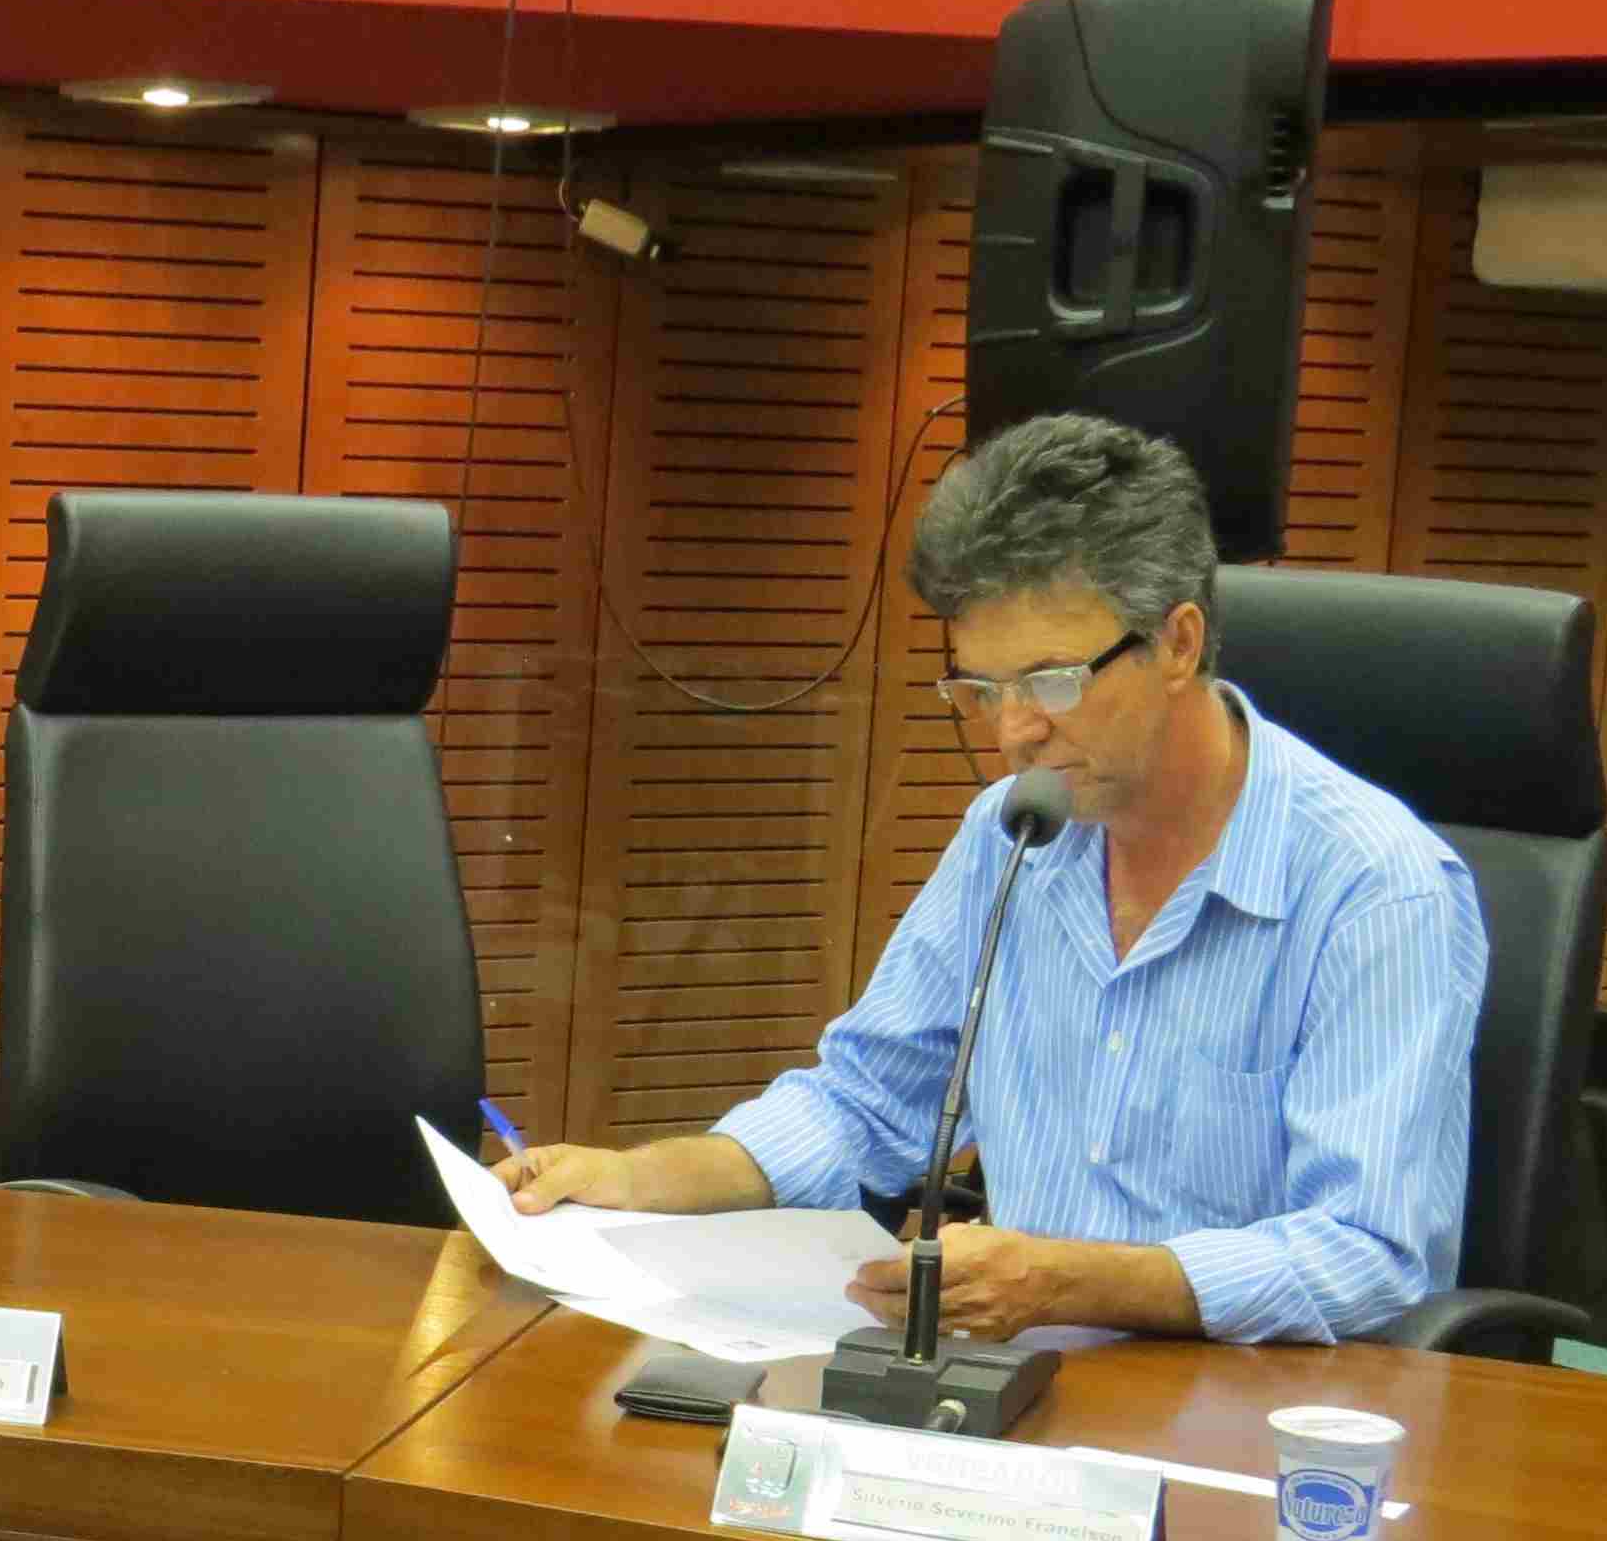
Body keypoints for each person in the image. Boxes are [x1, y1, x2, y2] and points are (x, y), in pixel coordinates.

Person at [499, 412, 1483, 1345]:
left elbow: (1367, 1254)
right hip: (1017, 1380)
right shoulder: (1011, 834)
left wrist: (1073, 1282)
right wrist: (645, 1181)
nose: (1014, 731)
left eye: (1052, 681)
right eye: (981, 688)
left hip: (1257, 1409)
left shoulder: (1376, 890)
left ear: (1177, 643)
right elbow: (867, 1101)